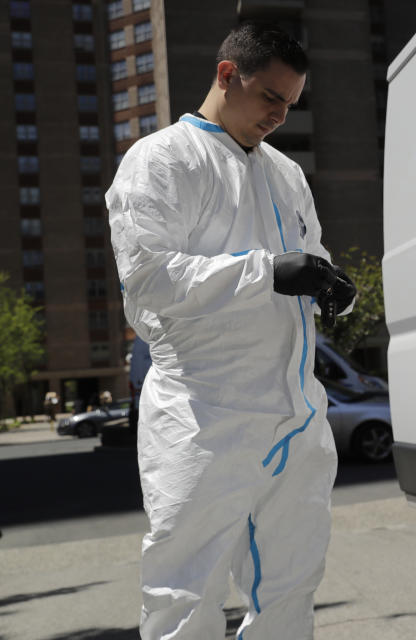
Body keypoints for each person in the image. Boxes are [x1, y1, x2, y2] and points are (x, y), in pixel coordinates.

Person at [106, 22, 356, 639]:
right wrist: (268, 271)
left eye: (290, 104)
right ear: (226, 74)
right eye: (270, 97)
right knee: (186, 593)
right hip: (205, 415)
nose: (279, 115)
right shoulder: (161, 159)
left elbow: (309, 260)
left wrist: (332, 289)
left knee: (292, 586)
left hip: (296, 416)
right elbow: (148, 279)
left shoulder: (286, 174)